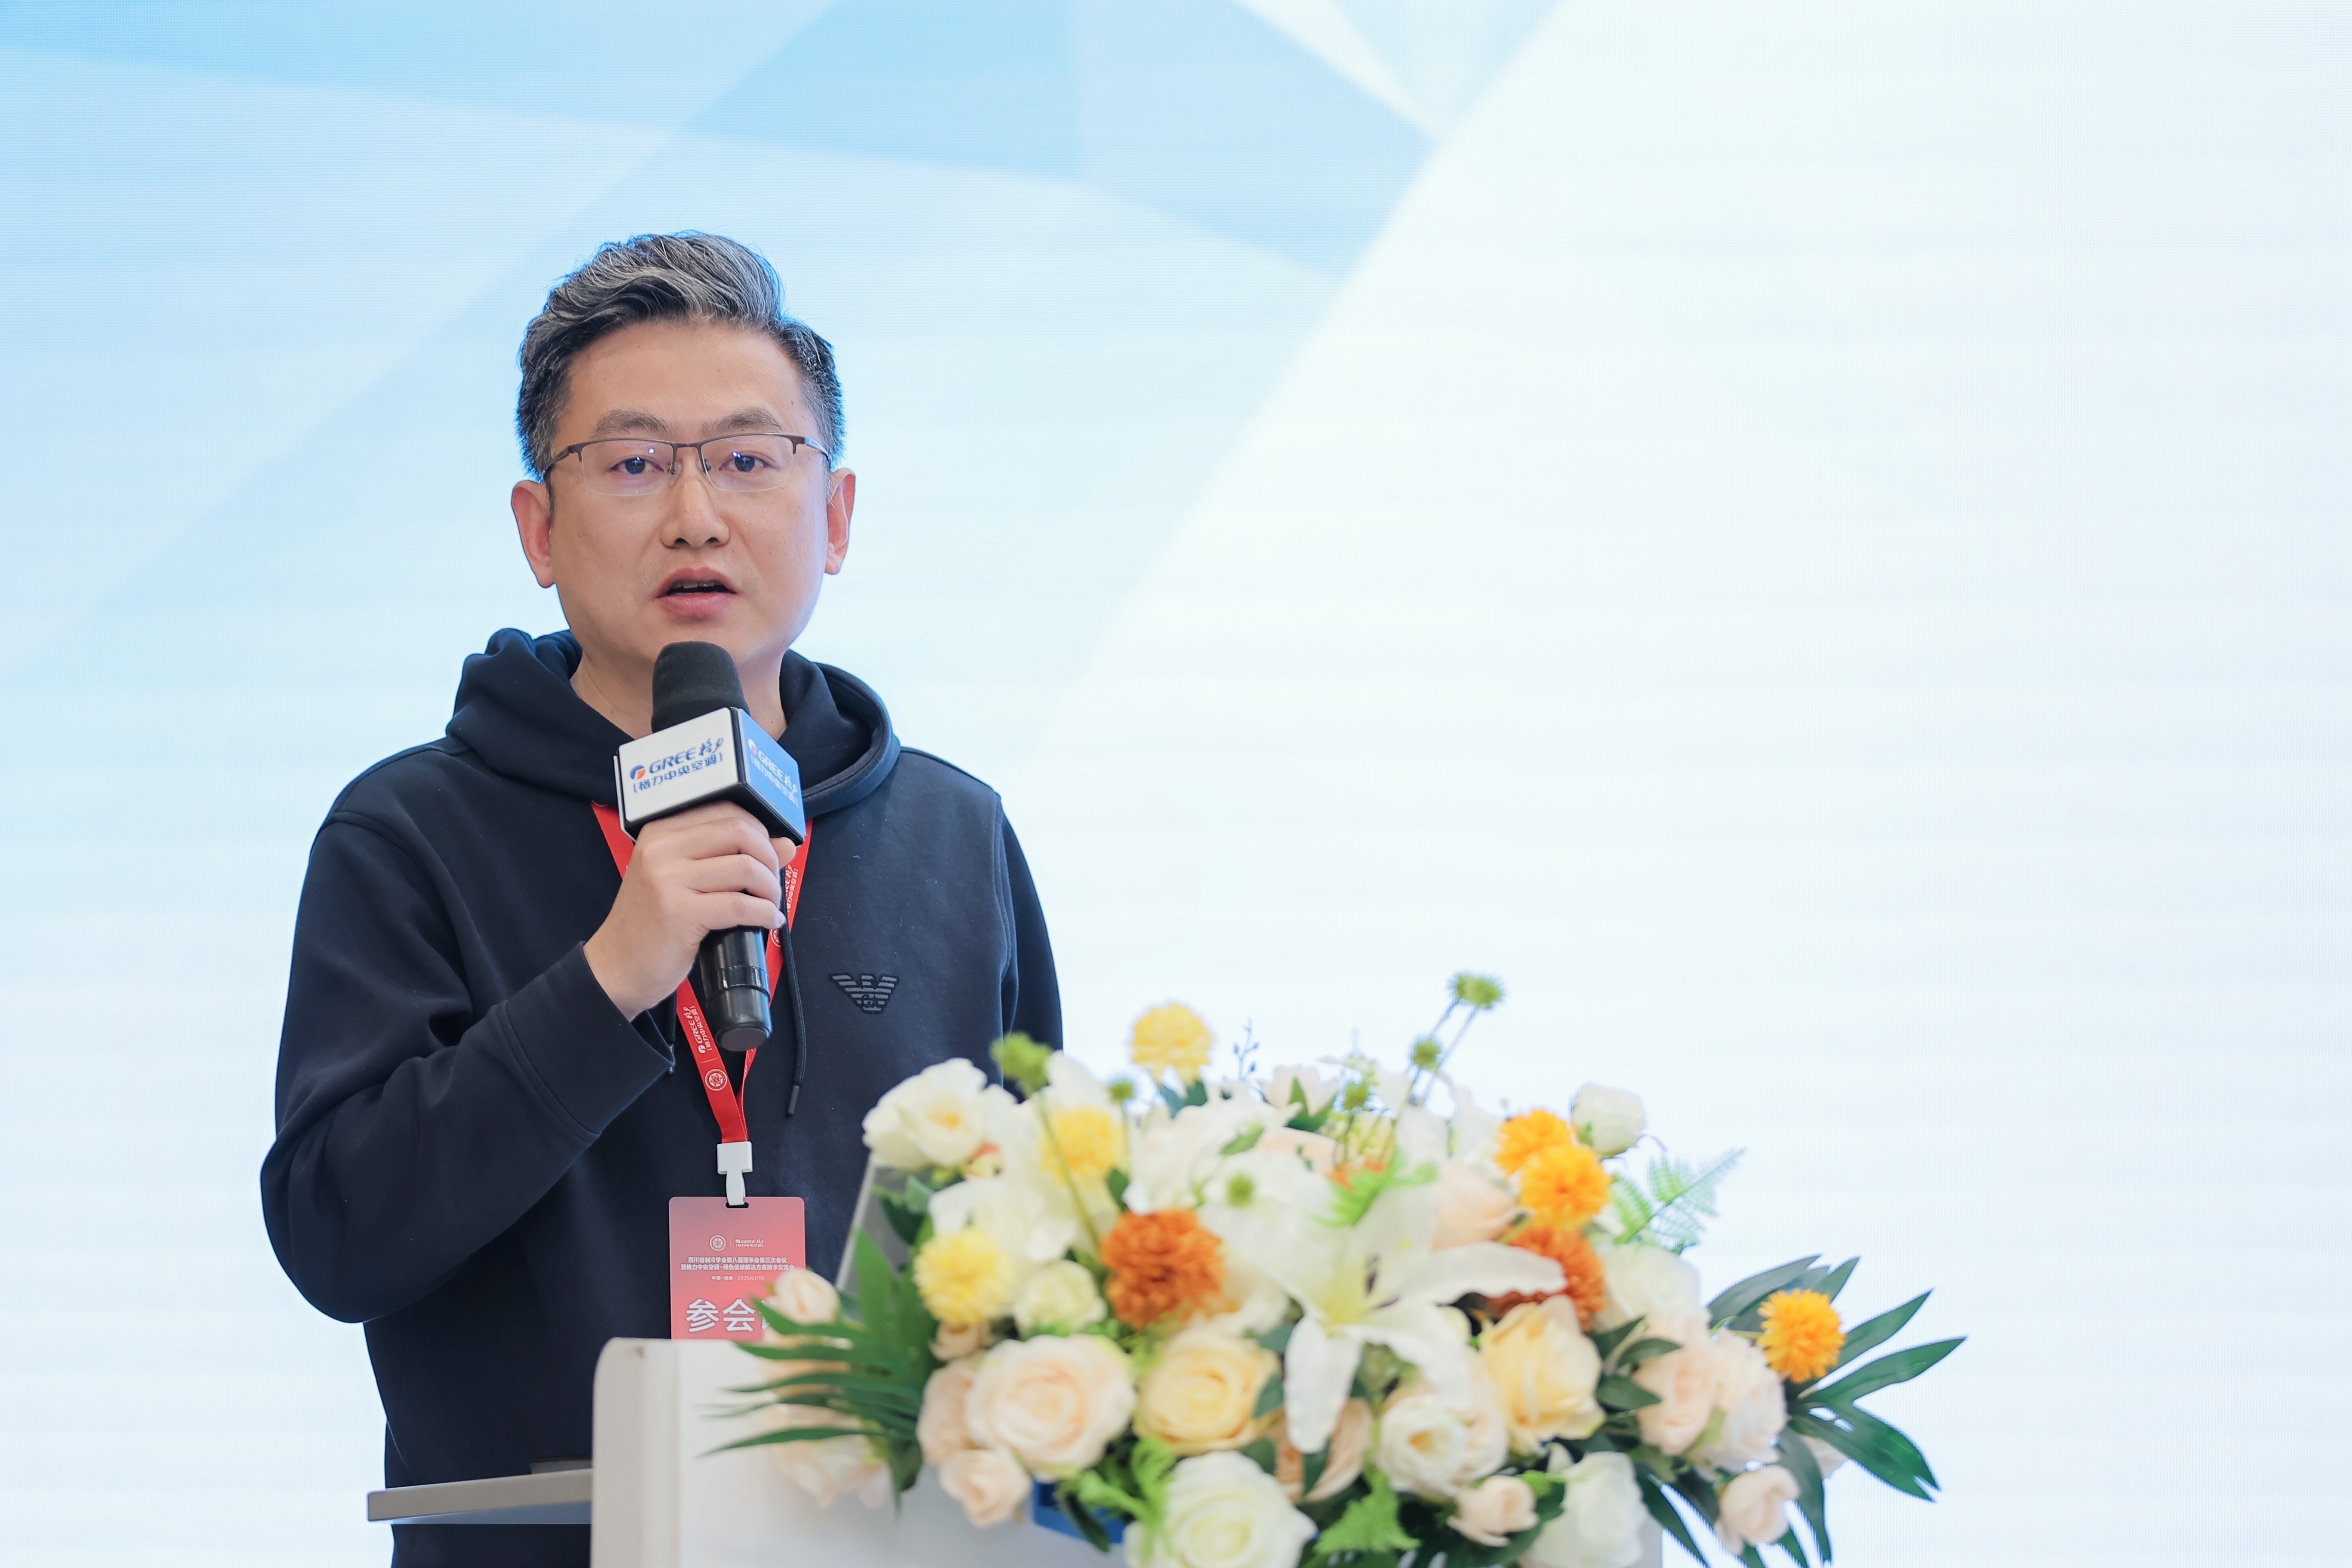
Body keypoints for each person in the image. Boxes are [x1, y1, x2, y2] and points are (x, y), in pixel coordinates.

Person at [260, 233, 1059, 1567]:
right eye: (634, 464)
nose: (695, 514)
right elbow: (339, 1238)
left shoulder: (950, 832)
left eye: (748, 459)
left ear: (836, 516)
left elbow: (1039, 1231)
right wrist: (610, 978)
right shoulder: (407, 832)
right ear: (539, 529)